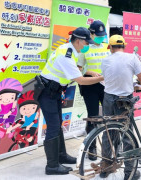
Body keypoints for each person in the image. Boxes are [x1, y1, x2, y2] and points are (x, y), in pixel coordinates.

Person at [37, 27, 104, 175]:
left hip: (53, 92)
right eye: (86, 42)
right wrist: (102, 78)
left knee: (57, 125)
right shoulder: (66, 55)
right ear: (79, 41)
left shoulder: (69, 50)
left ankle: (61, 156)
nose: (87, 45)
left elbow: (76, 71)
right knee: (53, 127)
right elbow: (80, 80)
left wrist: (89, 72)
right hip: (48, 93)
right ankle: (52, 166)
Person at [100, 35, 141, 180]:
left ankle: (105, 167)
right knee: (126, 134)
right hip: (124, 100)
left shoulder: (105, 60)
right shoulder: (132, 57)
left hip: (108, 99)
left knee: (108, 131)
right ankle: (130, 172)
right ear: (124, 46)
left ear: (111, 47)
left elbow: (109, 77)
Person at [77, 20, 110, 161]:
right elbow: (78, 69)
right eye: (98, 35)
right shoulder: (85, 48)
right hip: (89, 85)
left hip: (105, 85)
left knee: (108, 115)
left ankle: (108, 147)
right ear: (91, 33)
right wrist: (88, 71)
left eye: (102, 35)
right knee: (93, 116)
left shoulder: (106, 48)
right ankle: (91, 147)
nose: (101, 38)